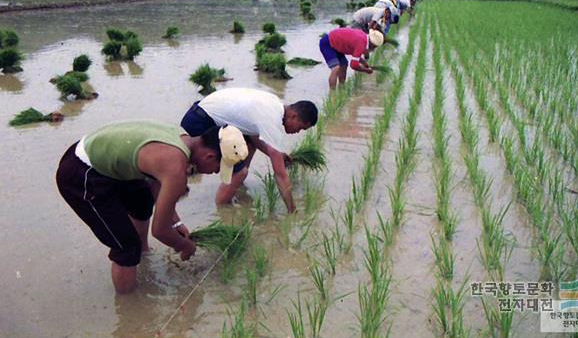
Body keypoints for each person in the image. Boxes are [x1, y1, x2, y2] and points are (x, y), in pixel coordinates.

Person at [55, 120, 248, 293]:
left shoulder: (181, 138)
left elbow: (158, 185)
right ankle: (129, 307)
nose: (215, 173)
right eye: (218, 168)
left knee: (142, 202)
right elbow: (159, 231)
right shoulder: (175, 167)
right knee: (126, 246)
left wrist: (176, 223)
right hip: (81, 173)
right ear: (209, 156)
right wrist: (185, 246)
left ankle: (143, 258)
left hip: (103, 160)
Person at [180, 88, 318, 213]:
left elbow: (253, 135)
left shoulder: (274, 104)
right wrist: (292, 209)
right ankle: (223, 210)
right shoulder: (272, 119)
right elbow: (280, 174)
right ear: (294, 116)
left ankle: (235, 186)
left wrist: (277, 154)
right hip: (201, 123)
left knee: (248, 145)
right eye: (300, 127)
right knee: (240, 172)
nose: (298, 132)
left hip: (197, 113)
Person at [319, 28, 384, 90]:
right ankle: (332, 94)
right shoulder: (361, 43)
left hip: (336, 45)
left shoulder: (363, 37)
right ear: (373, 45)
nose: (373, 49)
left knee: (344, 64)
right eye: (375, 47)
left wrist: (364, 63)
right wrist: (366, 70)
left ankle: (341, 88)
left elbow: (355, 53)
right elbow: (353, 65)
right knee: (336, 68)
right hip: (327, 43)